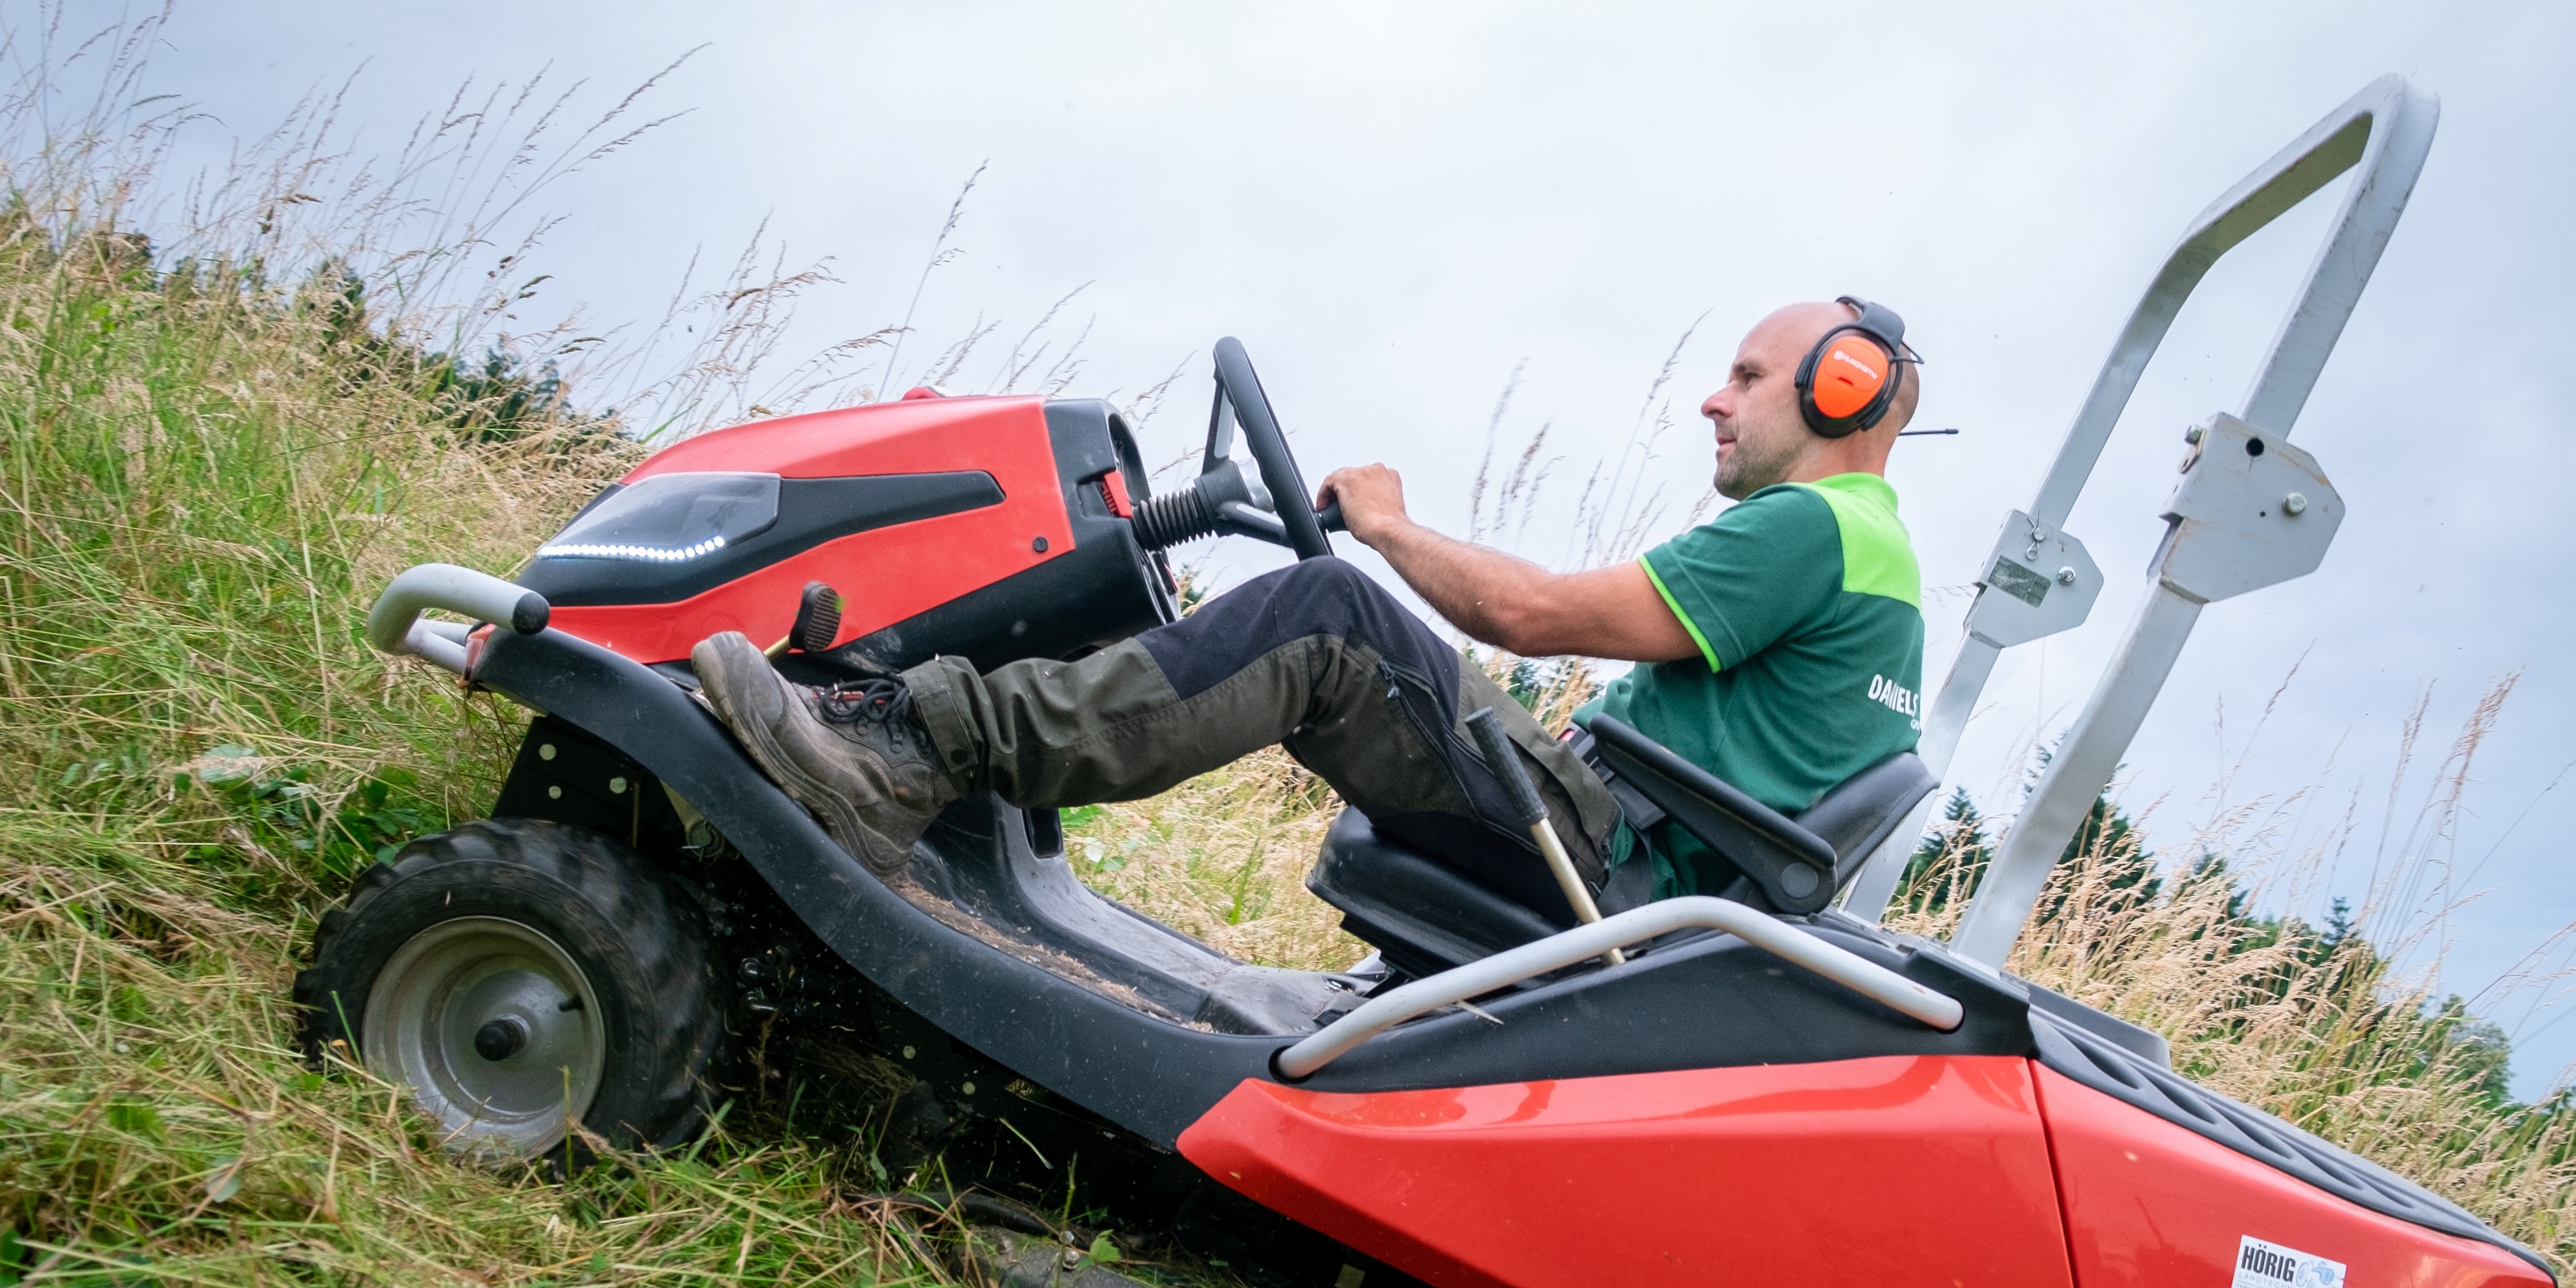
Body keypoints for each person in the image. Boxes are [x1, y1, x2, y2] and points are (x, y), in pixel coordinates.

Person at [689, 297, 1929, 917]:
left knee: (1330, 617)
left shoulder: (1810, 529)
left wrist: (1387, 527)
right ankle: (906, 739)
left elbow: (1539, 615)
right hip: (1636, 852)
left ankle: (902, 754)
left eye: (1749, 377)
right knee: (1322, 616)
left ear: (1844, 389)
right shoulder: (1871, 553)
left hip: (1613, 870)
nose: (1714, 400)